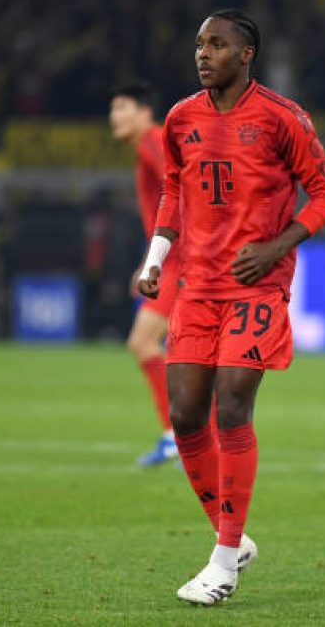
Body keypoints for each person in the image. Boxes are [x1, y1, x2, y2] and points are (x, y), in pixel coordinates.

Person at [138, 9, 325, 604]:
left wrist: (276, 248)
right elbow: (175, 188)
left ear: (246, 54)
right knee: (184, 415)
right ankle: (232, 539)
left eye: (217, 44)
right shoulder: (181, 118)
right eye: (199, 44)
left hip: (257, 284)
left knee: (232, 404)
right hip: (196, 283)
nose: (203, 54)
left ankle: (223, 563)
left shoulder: (282, 118)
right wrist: (156, 259)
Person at [109, 82, 180, 466]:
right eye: (112, 109)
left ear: (144, 111)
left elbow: (180, 187)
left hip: (181, 260)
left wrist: (162, 258)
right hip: (171, 258)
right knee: (168, 346)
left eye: (122, 107)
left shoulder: (154, 140)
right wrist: (149, 260)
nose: (114, 117)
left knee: (144, 342)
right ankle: (184, 433)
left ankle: (181, 434)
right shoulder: (146, 147)